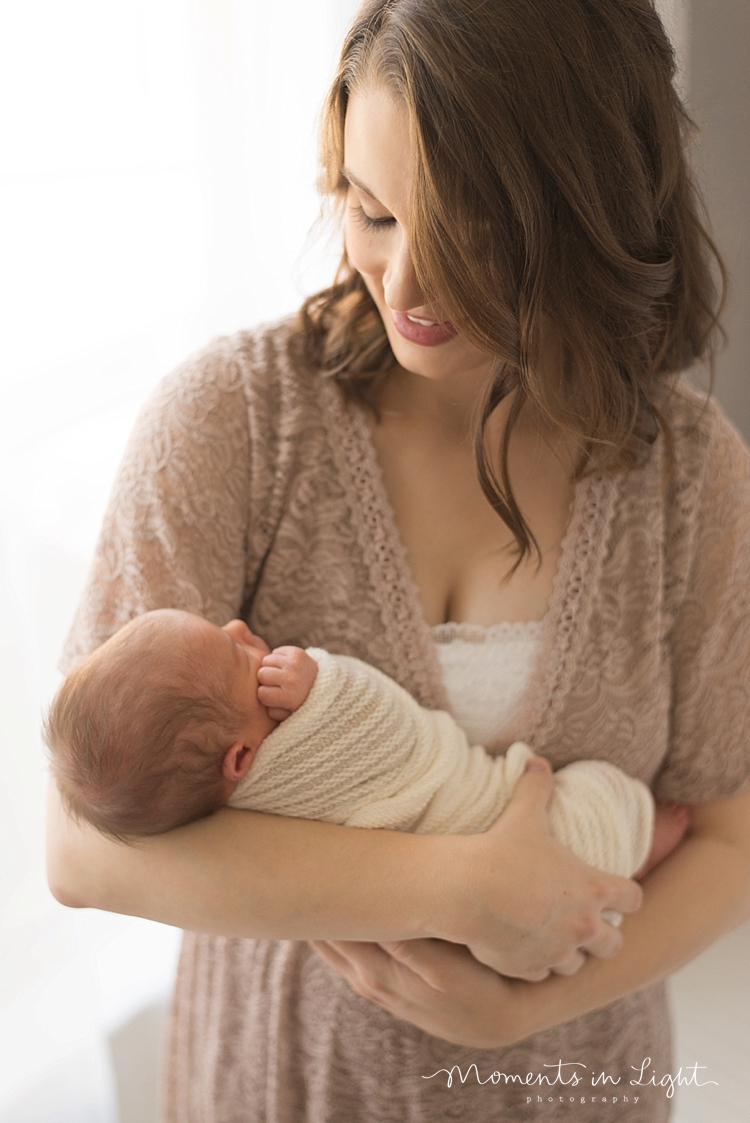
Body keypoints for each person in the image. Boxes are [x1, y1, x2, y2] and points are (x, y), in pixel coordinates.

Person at [45, 1, 750, 1120]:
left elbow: (727, 833)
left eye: (468, 241)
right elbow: (83, 849)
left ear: (588, 215)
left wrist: (516, 1010)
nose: (405, 286)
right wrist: (463, 891)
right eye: (370, 212)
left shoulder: (692, 477)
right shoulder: (233, 422)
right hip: (281, 1088)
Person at [45, 608, 689, 890]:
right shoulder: (295, 757)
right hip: (475, 811)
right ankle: (643, 843)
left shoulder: (217, 796)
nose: (241, 628)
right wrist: (323, 687)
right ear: (241, 762)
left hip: (468, 837)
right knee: (592, 816)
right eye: (238, 655)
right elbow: (390, 731)